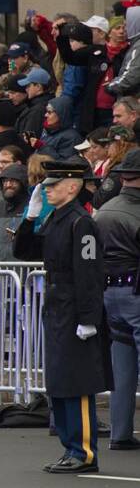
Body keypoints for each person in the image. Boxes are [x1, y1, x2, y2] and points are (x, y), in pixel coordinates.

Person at [13, 158, 109, 473]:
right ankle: (70, 448)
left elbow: (89, 273)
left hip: (74, 306)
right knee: (60, 380)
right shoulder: (57, 219)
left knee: (77, 382)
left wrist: (88, 317)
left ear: (72, 187)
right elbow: (24, 251)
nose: (47, 189)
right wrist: (29, 218)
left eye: (53, 185)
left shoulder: (82, 223)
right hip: (57, 305)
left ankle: (84, 452)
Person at [93, 148, 140, 452]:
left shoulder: (104, 210)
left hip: (109, 292)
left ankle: (120, 433)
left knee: (122, 368)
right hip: (135, 291)